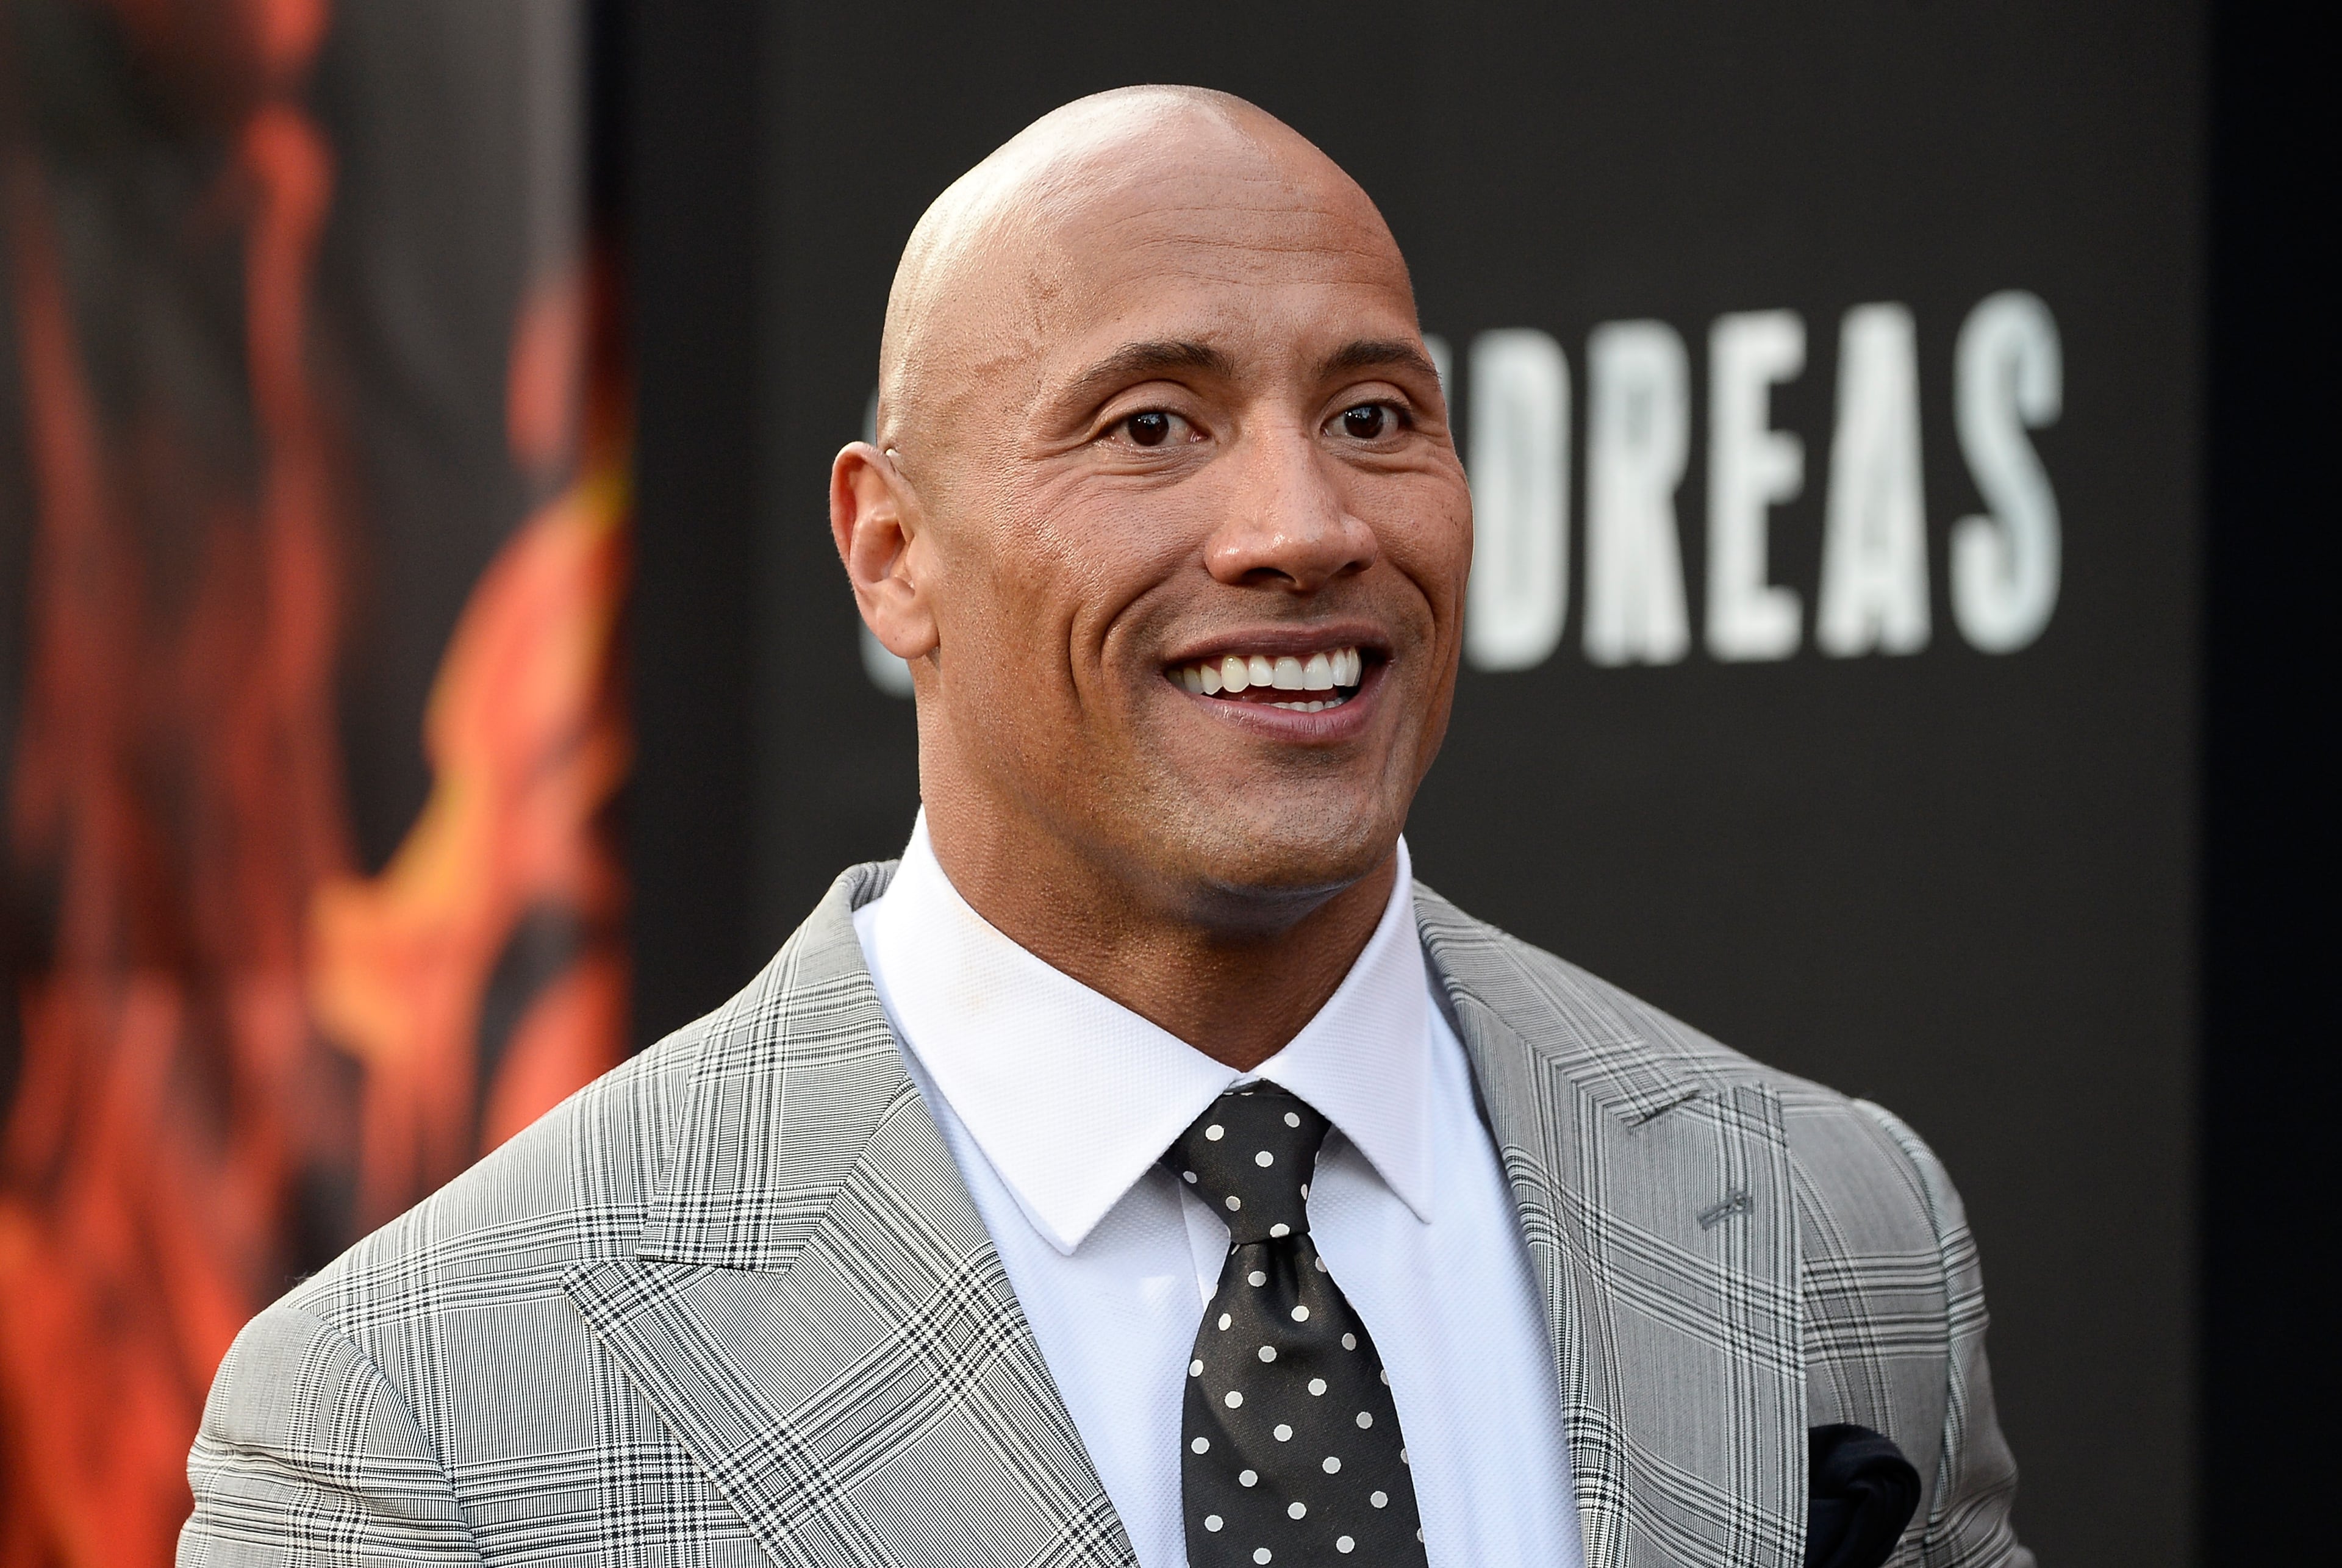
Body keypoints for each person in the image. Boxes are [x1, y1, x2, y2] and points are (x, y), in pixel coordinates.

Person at [181, 87, 2029, 1568]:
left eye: (1376, 412)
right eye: (1153, 427)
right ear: (890, 553)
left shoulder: (1831, 1231)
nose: (1303, 522)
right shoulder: (418, 1411)